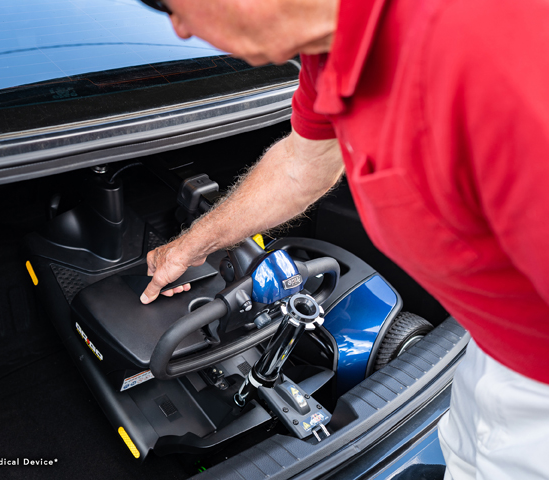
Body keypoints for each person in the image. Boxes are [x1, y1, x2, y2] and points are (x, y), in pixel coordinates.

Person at [137, 1, 549, 478]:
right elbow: (300, 165)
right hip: (495, 348)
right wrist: (188, 249)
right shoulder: (332, 47)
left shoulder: (494, 70)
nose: (179, 30)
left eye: (172, 5)